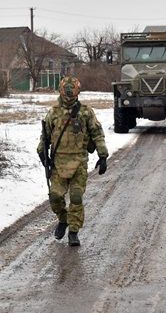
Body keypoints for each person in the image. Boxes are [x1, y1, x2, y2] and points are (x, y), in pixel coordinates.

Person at [37, 76, 108, 246]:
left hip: (79, 162)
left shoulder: (85, 112)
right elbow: (45, 136)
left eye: (72, 90)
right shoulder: (53, 113)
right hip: (58, 163)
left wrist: (103, 155)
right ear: (61, 91)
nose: (69, 94)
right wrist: (42, 153)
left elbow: (97, 133)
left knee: (76, 197)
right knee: (55, 197)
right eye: (66, 90)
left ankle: (74, 232)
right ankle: (63, 219)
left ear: (78, 91)